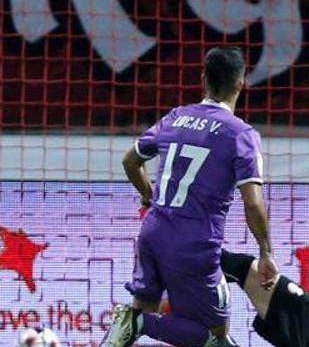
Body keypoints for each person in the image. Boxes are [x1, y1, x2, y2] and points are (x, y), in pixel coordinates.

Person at [103, 46, 280, 347]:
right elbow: (252, 202)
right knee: (214, 336)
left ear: (203, 78)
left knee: (147, 315)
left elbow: (130, 161)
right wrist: (265, 251)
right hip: (194, 245)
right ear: (240, 83)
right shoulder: (241, 134)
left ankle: (136, 319)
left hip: (152, 232)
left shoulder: (176, 117)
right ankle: (139, 321)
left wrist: (149, 196)